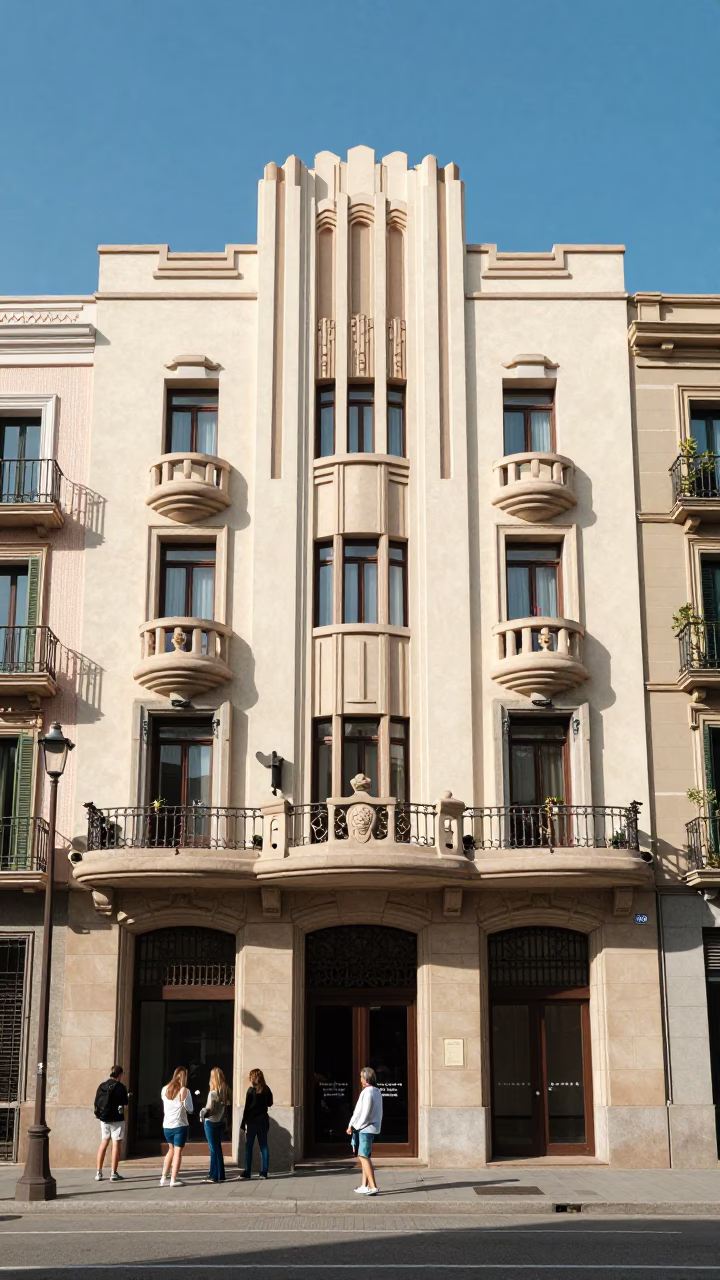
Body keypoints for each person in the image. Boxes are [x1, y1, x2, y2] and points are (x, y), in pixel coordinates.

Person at [347, 1066, 383, 1195]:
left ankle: (373, 1187)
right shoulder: (377, 1091)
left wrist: (355, 1126)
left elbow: (363, 1112)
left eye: (361, 1077)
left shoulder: (367, 1092)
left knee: (363, 1156)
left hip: (365, 1128)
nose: (360, 1079)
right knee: (365, 1156)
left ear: (366, 1078)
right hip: (370, 1127)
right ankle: (364, 1185)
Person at [94, 1064, 129, 1182]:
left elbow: (96, 1102)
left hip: (104, 1119)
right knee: (116, 1145)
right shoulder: (121, 1087)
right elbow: (125, 1102)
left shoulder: (102, 1086)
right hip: (117, 1119)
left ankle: (98, 1172)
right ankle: (113, 1173)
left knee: (104, 1143)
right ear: (119, 1075)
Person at [159, 1066, 193, 1187]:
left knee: (170, 1150)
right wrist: (183, 1100)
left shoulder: (164, 1089)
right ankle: (173, 1179)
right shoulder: (185, 1091)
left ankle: (163, 1177)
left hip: (167, 1125)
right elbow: (190, 1109)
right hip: (180, 1125)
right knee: (178, 1152)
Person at [240, 1068, 273, 1180]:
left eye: (251, 1076)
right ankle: (264, 1172)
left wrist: (243, 1123)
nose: (250, 1079)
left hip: (252, 1121)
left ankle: (247, 1171)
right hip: (263, 1120)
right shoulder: (266, 1089)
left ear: (254, 1077)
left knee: (249, 1146)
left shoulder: (251, 1091)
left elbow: (246, 1108)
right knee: (263, 1146)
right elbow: (270, 1103)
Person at [200, 1066, 229, 1184]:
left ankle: (213, 1175)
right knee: (218, 1148)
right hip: (219, 1122)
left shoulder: (212, 1093)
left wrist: (202, 1112)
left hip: (210, 1122)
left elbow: (209, 1108)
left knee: (213, 1149)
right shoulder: (225, 1091)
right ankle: (220, 1174)